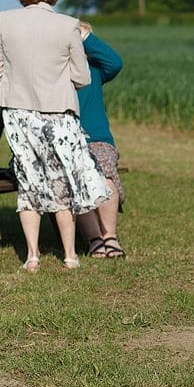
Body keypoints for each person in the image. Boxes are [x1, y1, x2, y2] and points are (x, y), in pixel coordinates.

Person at [0, 0, 111, 272]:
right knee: (62, 184)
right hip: (57, 115)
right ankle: (70, 255)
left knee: (28, 181)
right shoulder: (67, 25)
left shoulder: (5, 21)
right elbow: (82, 77)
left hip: (18, 115)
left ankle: (32, 255)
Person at [75, 22, 126, 259]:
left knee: (104, 172)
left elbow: (115, 62)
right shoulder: (60, 70)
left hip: (98, 139)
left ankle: (110, 236)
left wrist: (86, 37)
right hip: (71, 140)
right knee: (77, 179)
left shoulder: (94, 69)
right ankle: (94, 239)